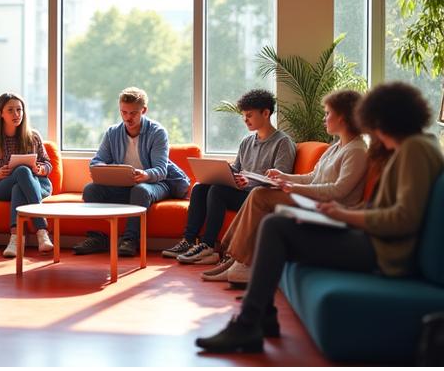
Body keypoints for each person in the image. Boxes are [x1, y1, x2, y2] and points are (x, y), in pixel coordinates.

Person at [196, 81, 444, 354]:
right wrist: (347, 213)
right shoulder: (413, 147)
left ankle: (249, 322)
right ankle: (258, 316)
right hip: (375, 240)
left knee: (276, 226)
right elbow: (383, 208)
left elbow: (402, 219)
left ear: (382, 119)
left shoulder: (414, 150)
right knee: (275, 224)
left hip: (385, 252)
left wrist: (345, 216)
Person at [204, 89, 369, 285]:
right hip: (315, 201)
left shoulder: (357, 150)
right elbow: (312, 177)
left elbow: (338, 191)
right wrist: (284, 177)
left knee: (259, 194)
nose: (324, 118)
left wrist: (292, 187)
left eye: (327, 113)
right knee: (260, 193)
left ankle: (237, 260)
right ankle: (237, 261)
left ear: (342, 117)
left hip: (330, 209)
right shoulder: (335, 147)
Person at [162, 89, 296, 264]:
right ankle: (188, 241)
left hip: (259, 197)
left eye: (249, 115)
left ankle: (208, 247)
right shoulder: (247, 141)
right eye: (243, 115)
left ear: (266, 113)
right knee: (200, 187)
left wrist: (250, 180)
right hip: (241, 192)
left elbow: (280, 179)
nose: (245, 119)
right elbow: (236, 168)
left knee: (218, 191)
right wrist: (223, 173)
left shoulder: (283, 142)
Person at [73, 87, 191, 257]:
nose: (128, 117)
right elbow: (97, 161)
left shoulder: (157, 132)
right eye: (124, 112)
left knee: (140, 190)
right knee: (90, 190)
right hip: (124, 185)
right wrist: (106, 170)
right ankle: (99, 238)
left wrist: (146, 175)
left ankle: (130, 240)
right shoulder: (112, 133)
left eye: (133, 113)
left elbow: (161, 170)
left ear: (144, 110)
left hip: (156, 183)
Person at [0, 92, 54, 258]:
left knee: (19, 187)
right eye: (10, 110)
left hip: (38, 183)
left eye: (19, 110)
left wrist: (41, 170)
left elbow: (48, 164)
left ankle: (16, 238)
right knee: (22, 172)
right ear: (1, 113)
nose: (16, 114)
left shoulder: (33, 136)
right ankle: (41, 230)